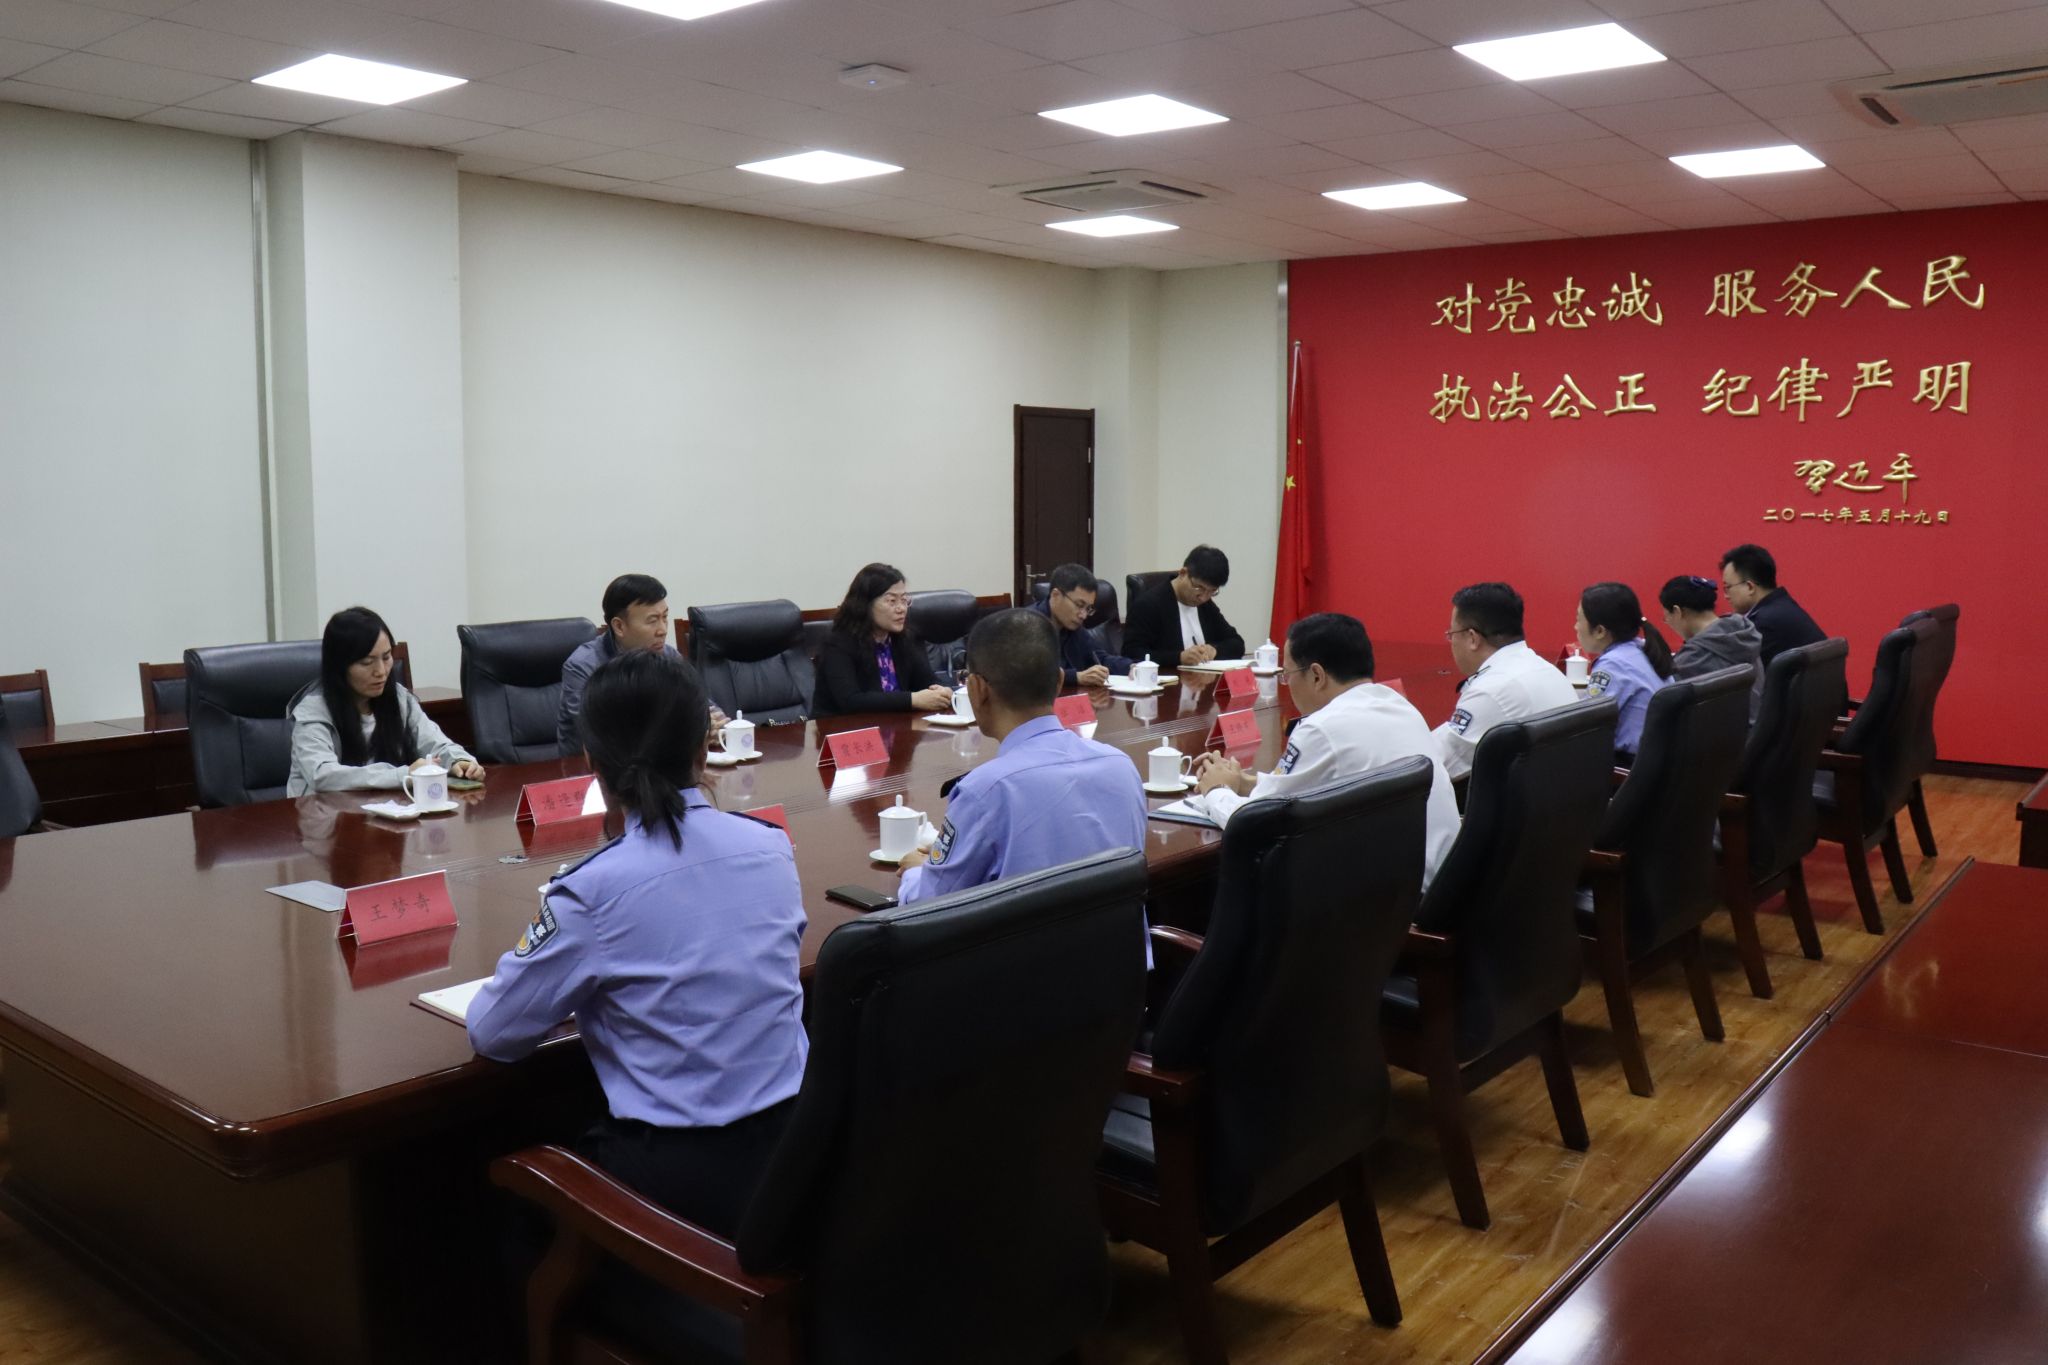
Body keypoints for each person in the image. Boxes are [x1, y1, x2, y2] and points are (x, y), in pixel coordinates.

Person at [468, 650, 807, 1240]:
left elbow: (494, 1032)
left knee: (508, 1202)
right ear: (703, 749)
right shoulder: (771, 846)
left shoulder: (592, 890)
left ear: (592, 762)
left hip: (679, 1184)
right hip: (796, 1156)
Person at [1193, 612, 1459, 889]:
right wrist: (1246, 783)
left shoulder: (1323, 728)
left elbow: (1255, 824)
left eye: (1287, 675)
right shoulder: (1400, 706)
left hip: (1386, 899)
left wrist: (1216, 790)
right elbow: (1309, 788)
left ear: (1317, 675)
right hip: (1435, 885)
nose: (1287, 684)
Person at [896, 609, 1145, 903]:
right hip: (1118, 935)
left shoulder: (985, 791)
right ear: (1059, 682)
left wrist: (916, 872)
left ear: (976, 689)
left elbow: (929, 904)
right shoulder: (1122, 766)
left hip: (1028, 936)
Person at [288, 606, 482, 796]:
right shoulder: (313, 711)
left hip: (388, 810)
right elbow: (322, 775)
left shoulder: (399, 698)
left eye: (387, 657)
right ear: (339, 666)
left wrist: (459, 761)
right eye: (367, 662)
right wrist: (402, 775)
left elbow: (435, 743)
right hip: (325, 814)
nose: (381, 671)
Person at [558, 573, 722, 756]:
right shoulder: (584, 666)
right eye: (652, 621)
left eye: (665, 617)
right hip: (589, 768)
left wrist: (712, 725)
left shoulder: (668, 656)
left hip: (658, 763)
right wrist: (685, 730)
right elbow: (601, 734)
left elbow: (705, 706)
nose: (663, 630)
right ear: (619, 626)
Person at [1433, 582, 1578, 782]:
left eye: (1452, 635)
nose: (1451, 643)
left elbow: (1436, 765)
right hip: (1563, 794)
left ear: (1472, 638)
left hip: (1525, 799)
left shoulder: (1492, 691)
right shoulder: (1548, 670)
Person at [812, 563, 951, 717]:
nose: (901, 608)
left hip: (898, 726)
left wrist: (944, 691)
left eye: (904, 600)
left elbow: (927, 680)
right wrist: (912, 700)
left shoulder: (906, 638)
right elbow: (851, 701)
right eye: (892, 601)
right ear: (866, 604)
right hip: (843, 728)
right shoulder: (838, 643)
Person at [1577, 582, 1673, 763]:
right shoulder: (1644, 649)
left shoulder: (1612, 665)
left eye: (1578, 619)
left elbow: (1587, 725)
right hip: (1658, 760)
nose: (1575, 627)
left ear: (1599, 631)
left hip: (1628, 766)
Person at [1121, 545, 1247, 667]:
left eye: (1212, 591)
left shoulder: (1205, 605)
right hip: (1168, 679)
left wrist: (1215, 650)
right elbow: (1132, 653)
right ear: (1183, 573)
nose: (1203, 597)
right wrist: (1178, 657)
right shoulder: (1148, 605)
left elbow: (1236, 643)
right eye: (1199, 588)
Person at [1660, 573, 1764, 719]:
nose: (1668, 622)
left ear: (1677, 612)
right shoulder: (1743, 631)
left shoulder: (1689, 660)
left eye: (1666, 617)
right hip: (1757, 725)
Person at [1719, 543, 1826, 666]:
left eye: (1727, 587)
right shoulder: (1782, 605)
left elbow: (1731, 669)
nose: (1726, 596)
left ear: (1750, 587)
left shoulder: (1764, 623)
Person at [1031, 563, 1133, 687]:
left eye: (1088, 608)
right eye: (1079, 605)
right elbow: (1030, 673)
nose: (1083, 615)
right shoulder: (1027, 625)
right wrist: (1076, 677)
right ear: (1055, 595)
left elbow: (1100, 659)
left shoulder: (1074, 628)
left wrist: (1132, 666)